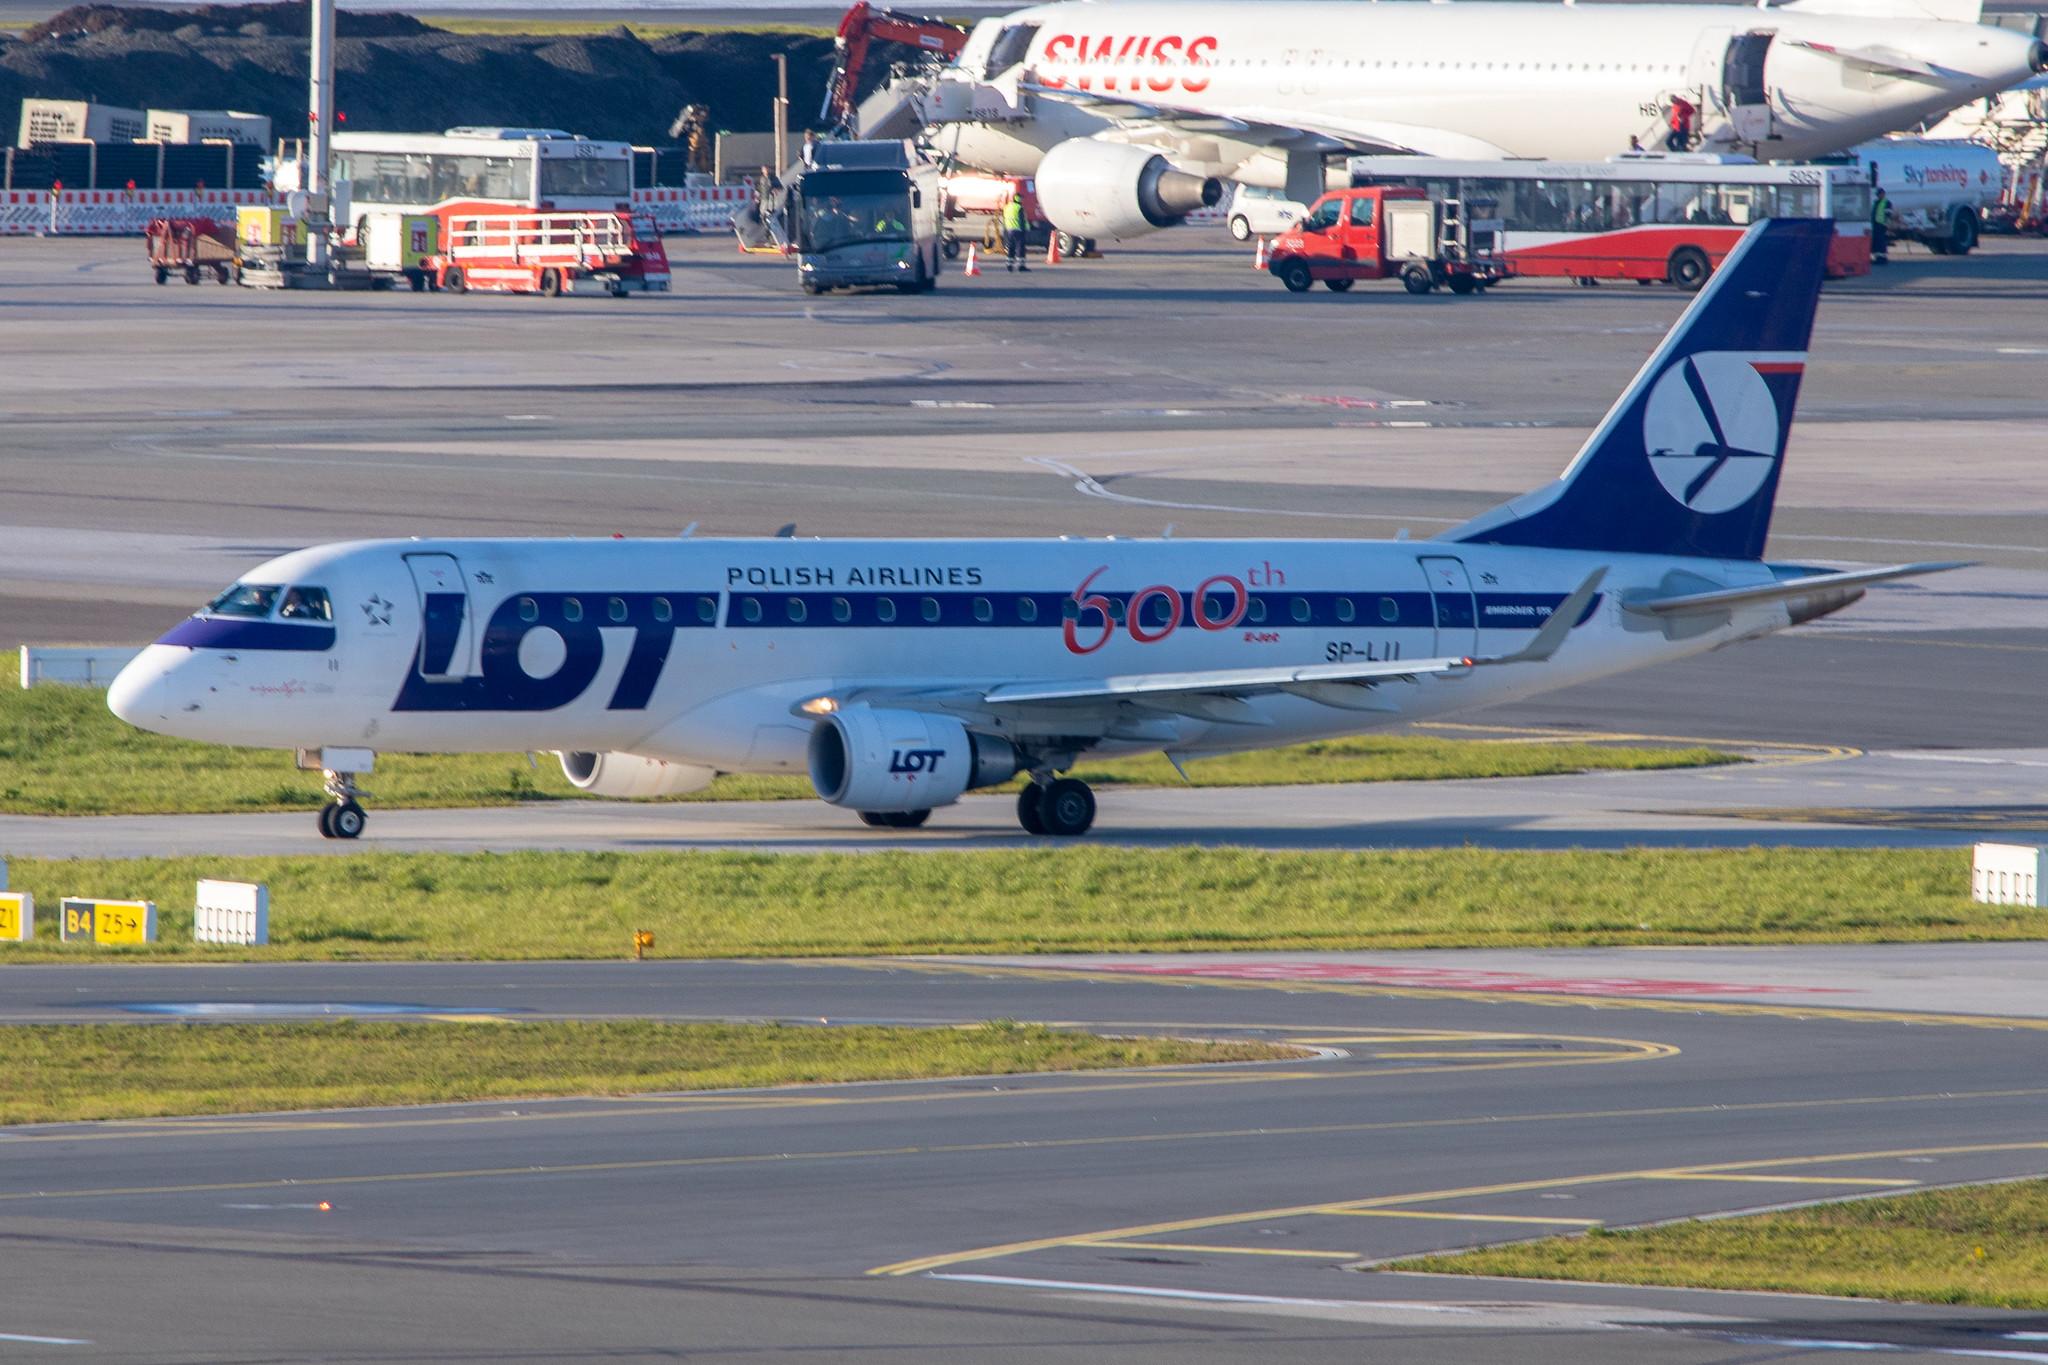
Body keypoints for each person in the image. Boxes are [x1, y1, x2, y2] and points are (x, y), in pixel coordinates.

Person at [1000, 190, 1028, 272]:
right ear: (1019, 199)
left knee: (1011, 248)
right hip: (1018, 230)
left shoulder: (1007, 207)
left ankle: (1009, 265)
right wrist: (1024, 231)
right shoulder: (1019, 208)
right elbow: (1022, 220)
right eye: (1021, 199)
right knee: (1020, 248)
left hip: (1009, 230)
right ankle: (1021, 266)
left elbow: (1004, 219)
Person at [1871, 182, 1893, 264]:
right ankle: (1878, 257)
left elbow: (1888, 214)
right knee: (1876, 241)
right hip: (1875, 224)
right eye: (1878, 194)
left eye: (1880, 194)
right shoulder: (1876, 202)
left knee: (1881, 242)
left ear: (1883, 194)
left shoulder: (1887, 203)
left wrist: (1887, 224)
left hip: (1882, 225)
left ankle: (1882, 258)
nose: (1879, 195)